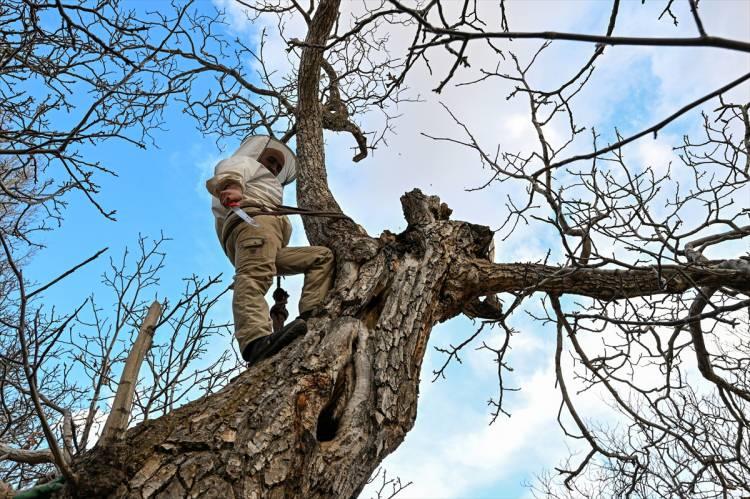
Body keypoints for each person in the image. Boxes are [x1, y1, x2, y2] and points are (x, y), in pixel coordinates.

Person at [206, 135, 334, 366]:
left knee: (321, 257)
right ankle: (255, 342)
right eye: (271, 160)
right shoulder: (249, 164)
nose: (274, 167)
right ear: (258, 155)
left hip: (267, 238)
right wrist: (233, 188)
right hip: (254, 224)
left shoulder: (267, 186)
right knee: (254, 279)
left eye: (278, 166)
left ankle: (310, 316)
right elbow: (231, 169)